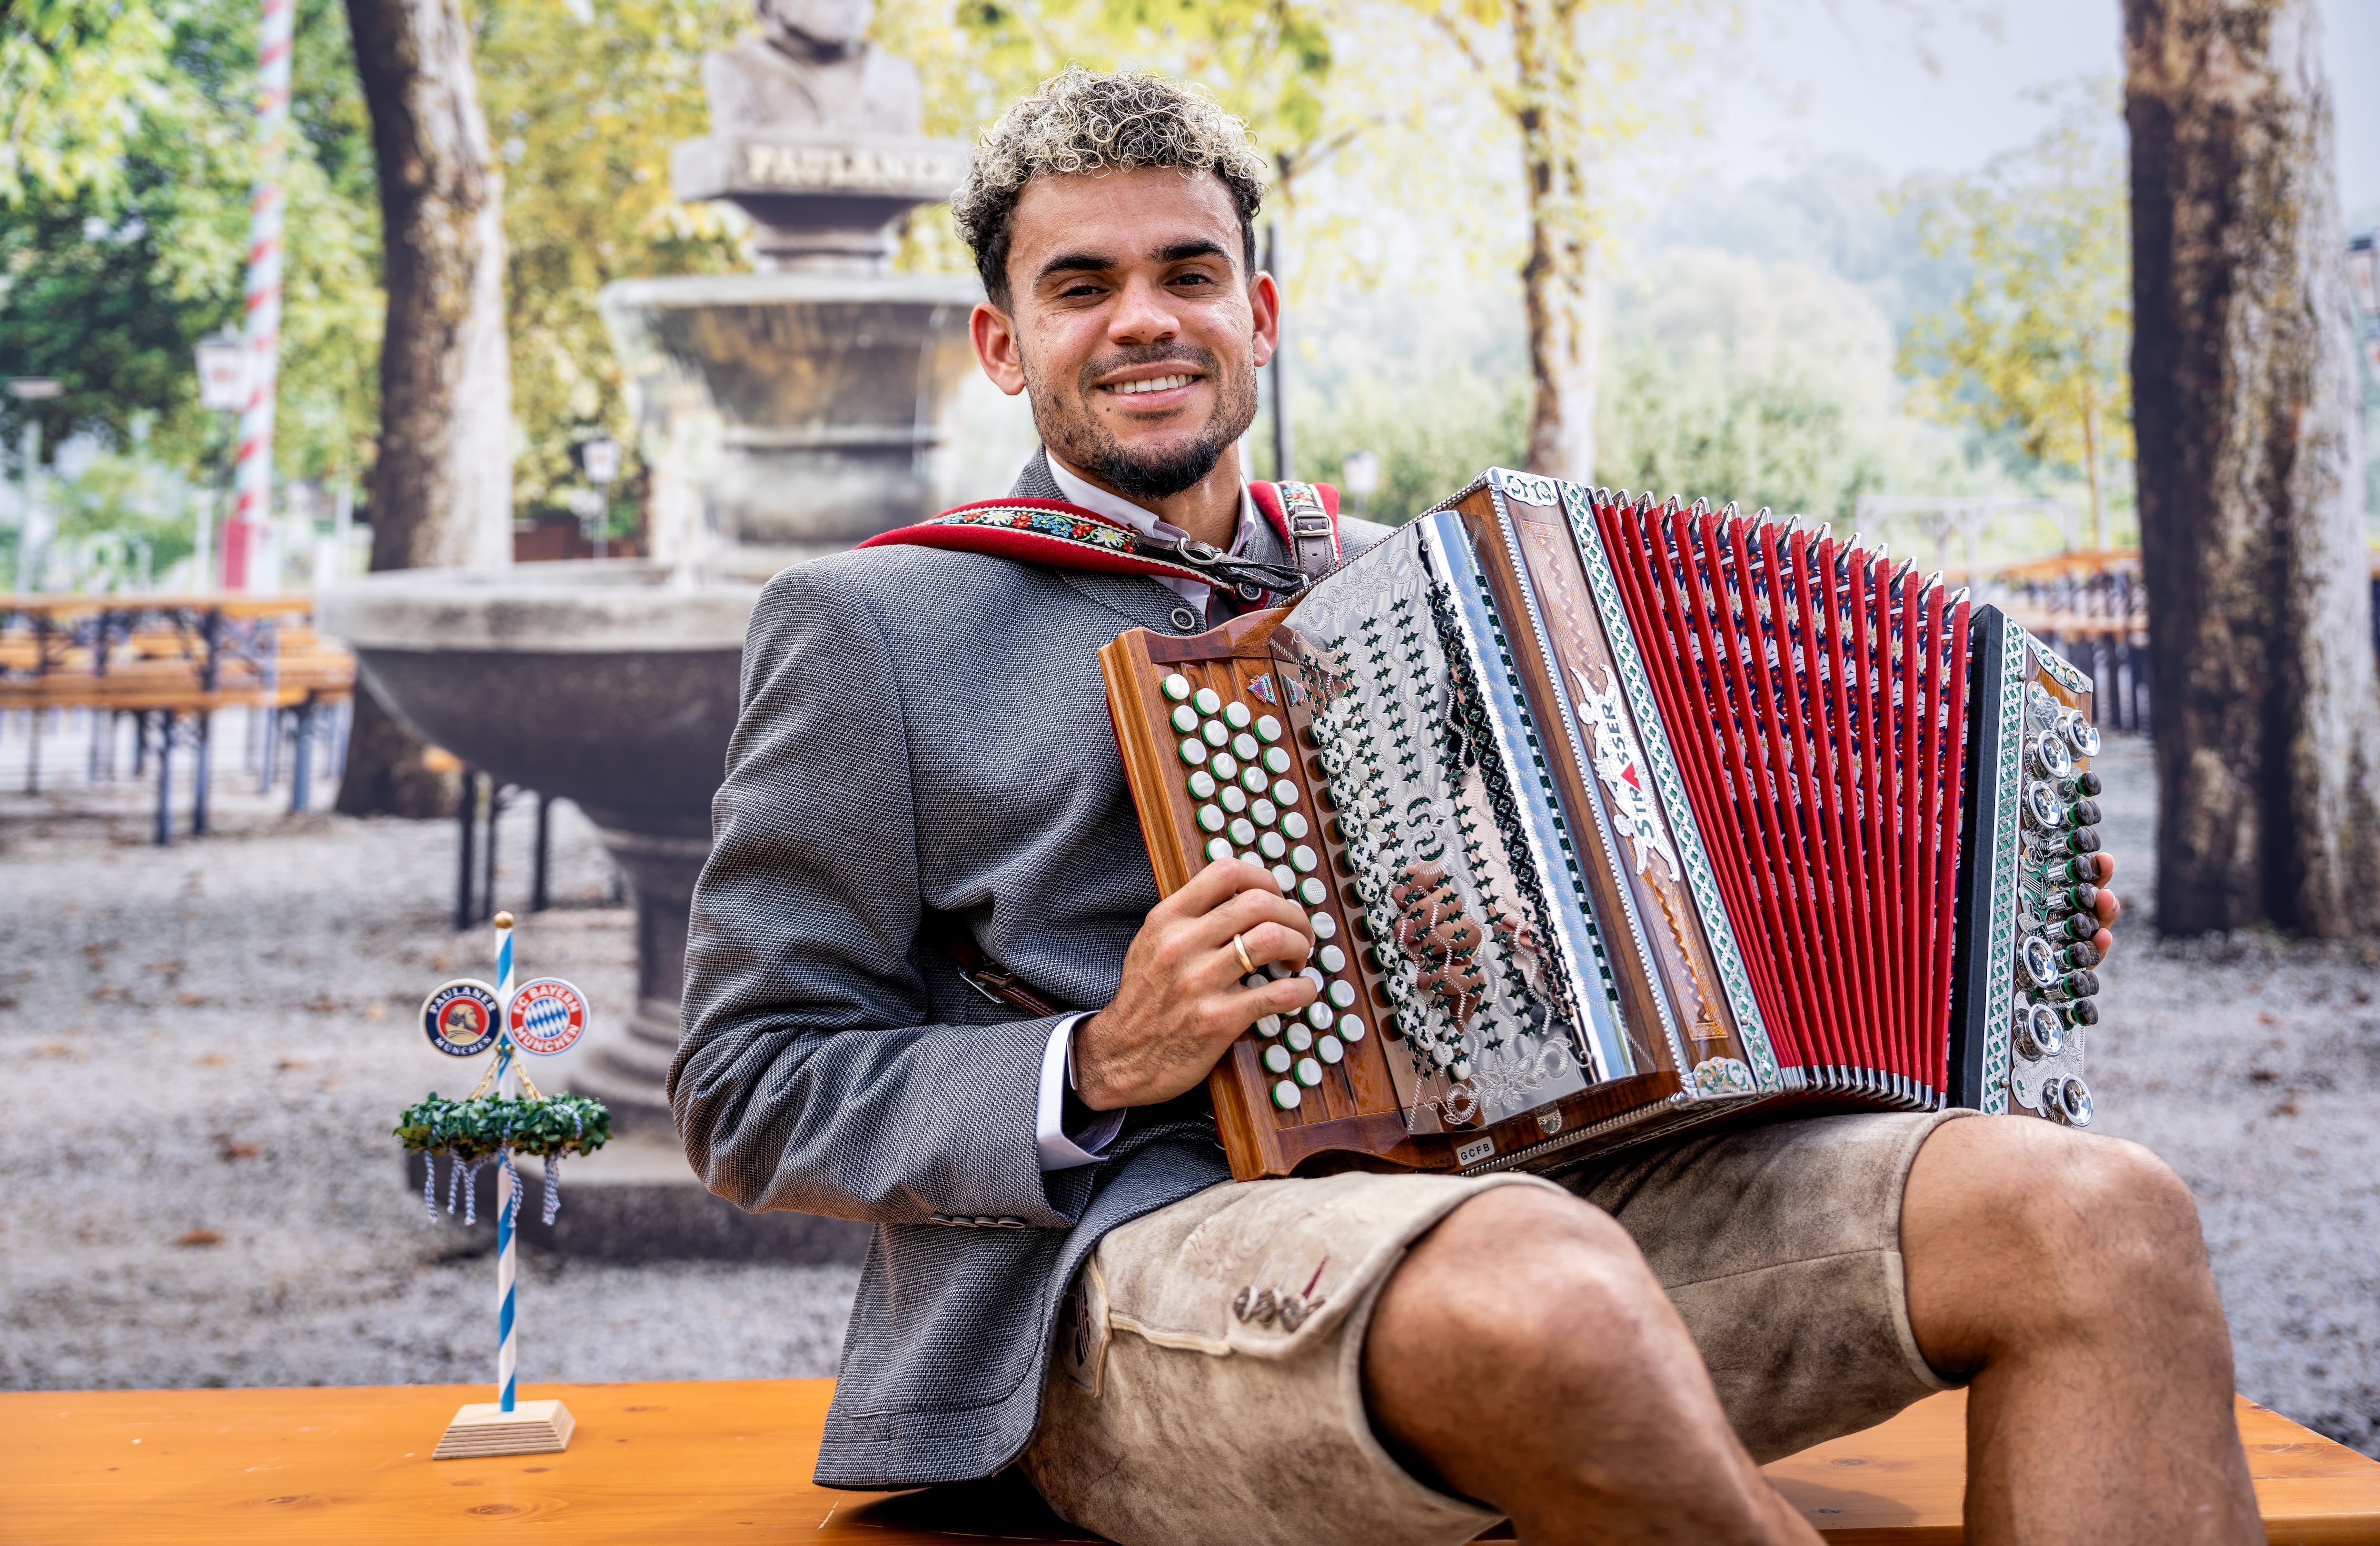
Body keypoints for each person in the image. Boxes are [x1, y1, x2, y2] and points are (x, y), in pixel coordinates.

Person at [672, 66, 2259, 1546]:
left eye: (1187, 273)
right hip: (1124, 1276)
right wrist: (1096, 1058)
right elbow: (749, 1085)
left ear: (1260, 312)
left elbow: (1671, 934)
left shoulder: (1426, 585)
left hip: (1536, 1198)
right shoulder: (873, 626)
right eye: (1082, 287)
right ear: (1005, 346)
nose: (1143, 321)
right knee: (1541, 1276)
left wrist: (1973, 906)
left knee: (2098, 1213)